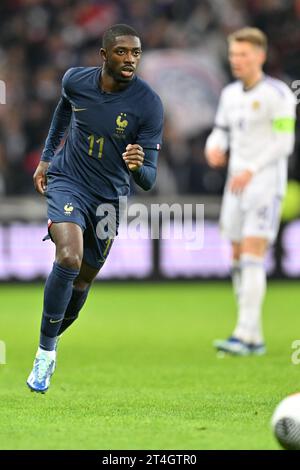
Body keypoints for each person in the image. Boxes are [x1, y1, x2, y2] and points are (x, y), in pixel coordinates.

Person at [27, 24, 164, 392]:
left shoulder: (148, 105)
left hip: (111, 199)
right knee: (69, 257)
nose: (130, 59)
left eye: (136, 53)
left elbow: (149, 179)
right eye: (122, 52)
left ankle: (50, 339)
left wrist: (138, 166)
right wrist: (45, 159)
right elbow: (63, 113)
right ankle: (45, 354)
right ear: (104, 56)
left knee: (83, 280)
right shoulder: (75, 81)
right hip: (68, 181)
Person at [205, 27, 296, 356]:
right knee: (236, 255)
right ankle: (253, 336)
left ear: (260, 55)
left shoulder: (279, 94)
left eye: (243, 54)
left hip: (264, 183)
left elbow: (284, 144)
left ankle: (244, 334)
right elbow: (220, 131)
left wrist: (252, 169)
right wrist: (213, 148)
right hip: (235, 186)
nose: (236, 61)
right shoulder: (229, 94)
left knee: (253, 253)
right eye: (233, 55)